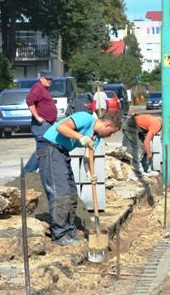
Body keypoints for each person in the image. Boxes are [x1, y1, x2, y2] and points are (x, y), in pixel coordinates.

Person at [38, 111, 123, 245]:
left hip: (62, 152)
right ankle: (60, 235)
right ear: (106, 125)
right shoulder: (85, 118)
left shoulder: (96, 138)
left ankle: (70, 232)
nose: (109, 136)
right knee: (61, 192)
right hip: (50, 148)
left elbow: (88, 156)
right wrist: (81, 137)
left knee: (71, 194)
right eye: (111, 132)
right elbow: (61, 127)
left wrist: (89, 173)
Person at [23, 70, 57, 173]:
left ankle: (41, 172)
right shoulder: (38, 87)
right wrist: (37, 117)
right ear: (41, 78)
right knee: (42, 150)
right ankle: (27, 173)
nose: (49, 81)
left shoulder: (44, 88)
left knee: (46, 149)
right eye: (47, 79)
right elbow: (29, 100)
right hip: (41, 125)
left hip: (47, 124)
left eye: (51, 79)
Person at [122, 113, 162, 178]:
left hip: (136, 126)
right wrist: (149, 155)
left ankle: (146, 169)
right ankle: (138, 171)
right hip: (130, 126)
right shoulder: (157, 125)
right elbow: (147, 142)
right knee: (136, 148)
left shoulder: (155, 121)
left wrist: (148, 150)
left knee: (143, 147)